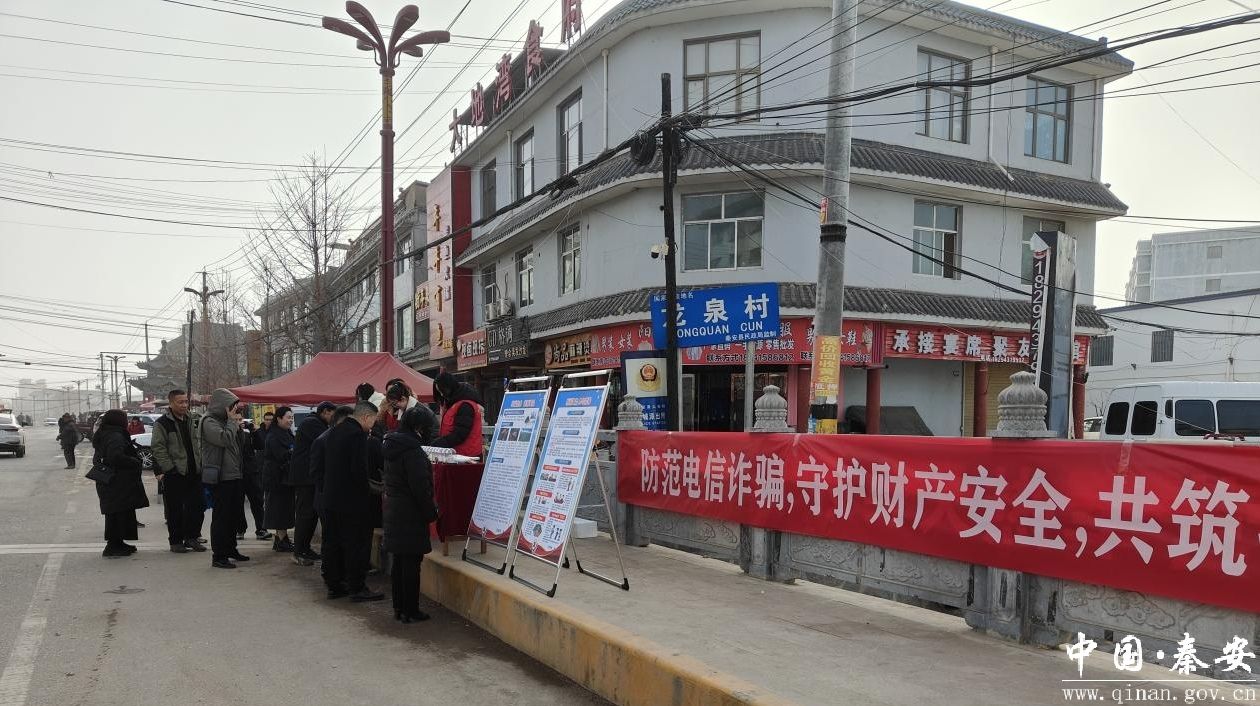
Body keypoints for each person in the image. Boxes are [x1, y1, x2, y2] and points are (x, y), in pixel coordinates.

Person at [321, 401, 384, 602]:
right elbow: (359, 470)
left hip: (331, 497)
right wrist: (368, 492)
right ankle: (357, 587)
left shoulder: (335, 431)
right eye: (373, 420)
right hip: (351, 501)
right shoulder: (357, 435)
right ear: (366, 417)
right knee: (356, 544)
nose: (373, 425)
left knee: (333, 543)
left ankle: (335, 585)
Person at [382, 406, 438, 623]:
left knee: (399, 561)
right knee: (412, 563)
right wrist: (431, 513)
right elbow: (420, 488)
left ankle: (399, 607)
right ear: (420, 427)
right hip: (411, 513)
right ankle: (410, 610)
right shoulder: (413, 451)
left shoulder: (392, 445)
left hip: (394, 510)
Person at [200, 389, 250, 569]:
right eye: (231, 406)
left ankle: (230, 549)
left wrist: (237, 426)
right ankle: (219, 555)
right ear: (222, 405)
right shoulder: (209, 421)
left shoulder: (226, 421)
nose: (234, 410)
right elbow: (224, 440)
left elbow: (239, 444)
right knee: (221, 517)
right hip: (221, 477)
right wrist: (231, 422)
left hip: (234, 474)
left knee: (233, 515)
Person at [151, 390, 206, 554]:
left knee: (197, 507)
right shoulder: (162, 423)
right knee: (175, 510)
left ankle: (192, 537)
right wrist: (169, 468)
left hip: (194, 471)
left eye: (186, 402)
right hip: (175, 473)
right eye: (180, 402)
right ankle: (176, 541)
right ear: (171, 403)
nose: (184, 405)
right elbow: (158, 447)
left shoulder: (192, 419)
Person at [91, 409, 148, 558]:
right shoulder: (115, 435)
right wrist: (135, 461)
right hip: (117, 481)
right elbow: (115, 457)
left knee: (118, 513)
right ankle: (113, 546)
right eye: (125, 419)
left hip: (111, 481)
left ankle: (118, 543)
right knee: (117, 513)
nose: (127, 422)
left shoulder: (105, 433)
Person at [290, 401, 335, 566]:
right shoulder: (312, 423)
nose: (333, 418)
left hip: (310, 477)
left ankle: (305, 548)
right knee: (305, 514)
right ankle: (298, 552)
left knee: (311, 514)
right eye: (333, 414)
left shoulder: (316, 423)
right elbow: (328, 441)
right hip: (304, 477)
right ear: (325, 412)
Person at [263, 407, 296, 552]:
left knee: (284, 508)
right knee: (279, 509)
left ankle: (280, 538)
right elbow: (281, 456)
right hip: (277, 479)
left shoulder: (286, 433)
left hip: (285, 478)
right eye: (288, 417)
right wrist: (292, 453)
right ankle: (281, 540)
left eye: (292, 417)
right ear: (279, 419)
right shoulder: (274, 436)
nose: (291, 420)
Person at [430, 371, 484, 457]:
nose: (442, 395)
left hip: (466, 456)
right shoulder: (453, 404)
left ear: (449, 388)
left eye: (442, 391)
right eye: (439, 392)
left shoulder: (465, 405)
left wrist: (440, 442)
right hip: (457, 453)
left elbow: (460, 434)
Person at [237, 418, 269, 541]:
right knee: (238, 503)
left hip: (251, 471)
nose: (239, 422)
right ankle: (240, 529)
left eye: (240, 419)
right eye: (236, 419)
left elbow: (260, 445)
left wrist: (254, 431)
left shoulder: (248, 433)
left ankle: (261, 529)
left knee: (257, 501)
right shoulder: (228, 432)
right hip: (236, 472)